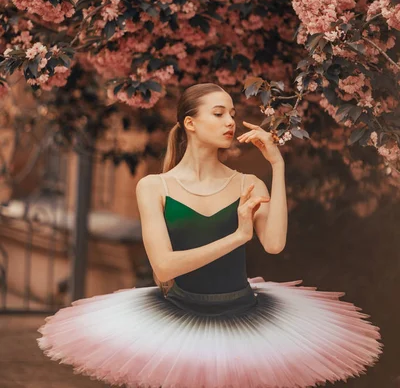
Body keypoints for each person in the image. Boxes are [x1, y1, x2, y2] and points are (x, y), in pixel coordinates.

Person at [37, 82, 383, 388]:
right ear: (190, 123)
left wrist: (277, 165)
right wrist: (236, 236)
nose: (230, 122)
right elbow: (164, 268)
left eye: (232, 113)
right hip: (178, 320)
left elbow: (275, 244)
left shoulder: (248, 183)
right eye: (218, 114)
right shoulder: (154, 187)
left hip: (245, 317)